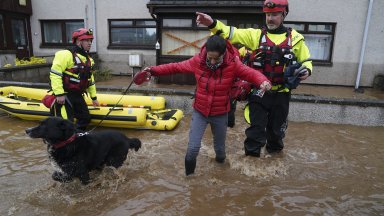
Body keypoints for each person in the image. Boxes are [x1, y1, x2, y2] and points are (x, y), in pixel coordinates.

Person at [133, 34, 271, 175]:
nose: (211, 61)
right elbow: (174, 67)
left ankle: (220, 174)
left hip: (221, 113)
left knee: (220, 152)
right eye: (209, 57)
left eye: (216, 58)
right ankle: (190, 181)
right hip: (200, 112)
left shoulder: (233, 64)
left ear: (224, 54)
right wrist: (152, 70)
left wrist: (263, 81)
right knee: (192, 150)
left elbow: (251, 73)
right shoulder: (198, 61)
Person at [196, 0, 313, 157]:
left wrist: (306, 71)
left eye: (275, 15)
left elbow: (306, 62)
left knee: (276, 133)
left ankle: (274, 160)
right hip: (260, 92)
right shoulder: (255, 35)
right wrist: (212, 23)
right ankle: (251, 164)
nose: (270, 18)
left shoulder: (296, 39)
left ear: (284, 15)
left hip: (282, 94)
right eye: (268, 15)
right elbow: (231, 32)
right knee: (255, 131)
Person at [49, 28, 99, 131]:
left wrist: (94, 98)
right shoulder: (65, 55)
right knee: (66, 123)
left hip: (77, 95)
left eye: (91, 40)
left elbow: (90, 80)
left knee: (85, 118)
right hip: (65, 95)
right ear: (78, 41)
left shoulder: (89, 60)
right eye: (87, 40)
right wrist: (59, 94)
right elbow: (55, 74)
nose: (90, 43)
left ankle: (76, 139)